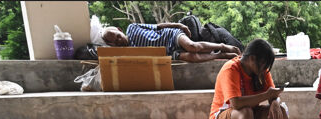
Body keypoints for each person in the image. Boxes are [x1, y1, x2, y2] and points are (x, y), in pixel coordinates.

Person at [209, 39, 320, 119]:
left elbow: (272, 94)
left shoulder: (261, 71)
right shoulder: (231, 69)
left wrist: (274, 103)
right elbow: (236, 103)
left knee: (281, 112)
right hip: (224, 118)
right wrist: (267, 96)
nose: (265, 69)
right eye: (263, 64)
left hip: (249, 115)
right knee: (246, 112)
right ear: (251, 59)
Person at [100, 22, 239, 62]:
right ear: (112, 45)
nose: (119, 41)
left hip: (170, 36)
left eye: (118, 36)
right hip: (168, 53)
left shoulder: (132, 27)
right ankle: (219, 55)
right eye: (115, 42)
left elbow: (159, 26)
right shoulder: (128, 52)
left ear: (119, 30)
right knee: (191, 57)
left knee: (192, 46)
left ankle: (223, 46)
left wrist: (179, 26)